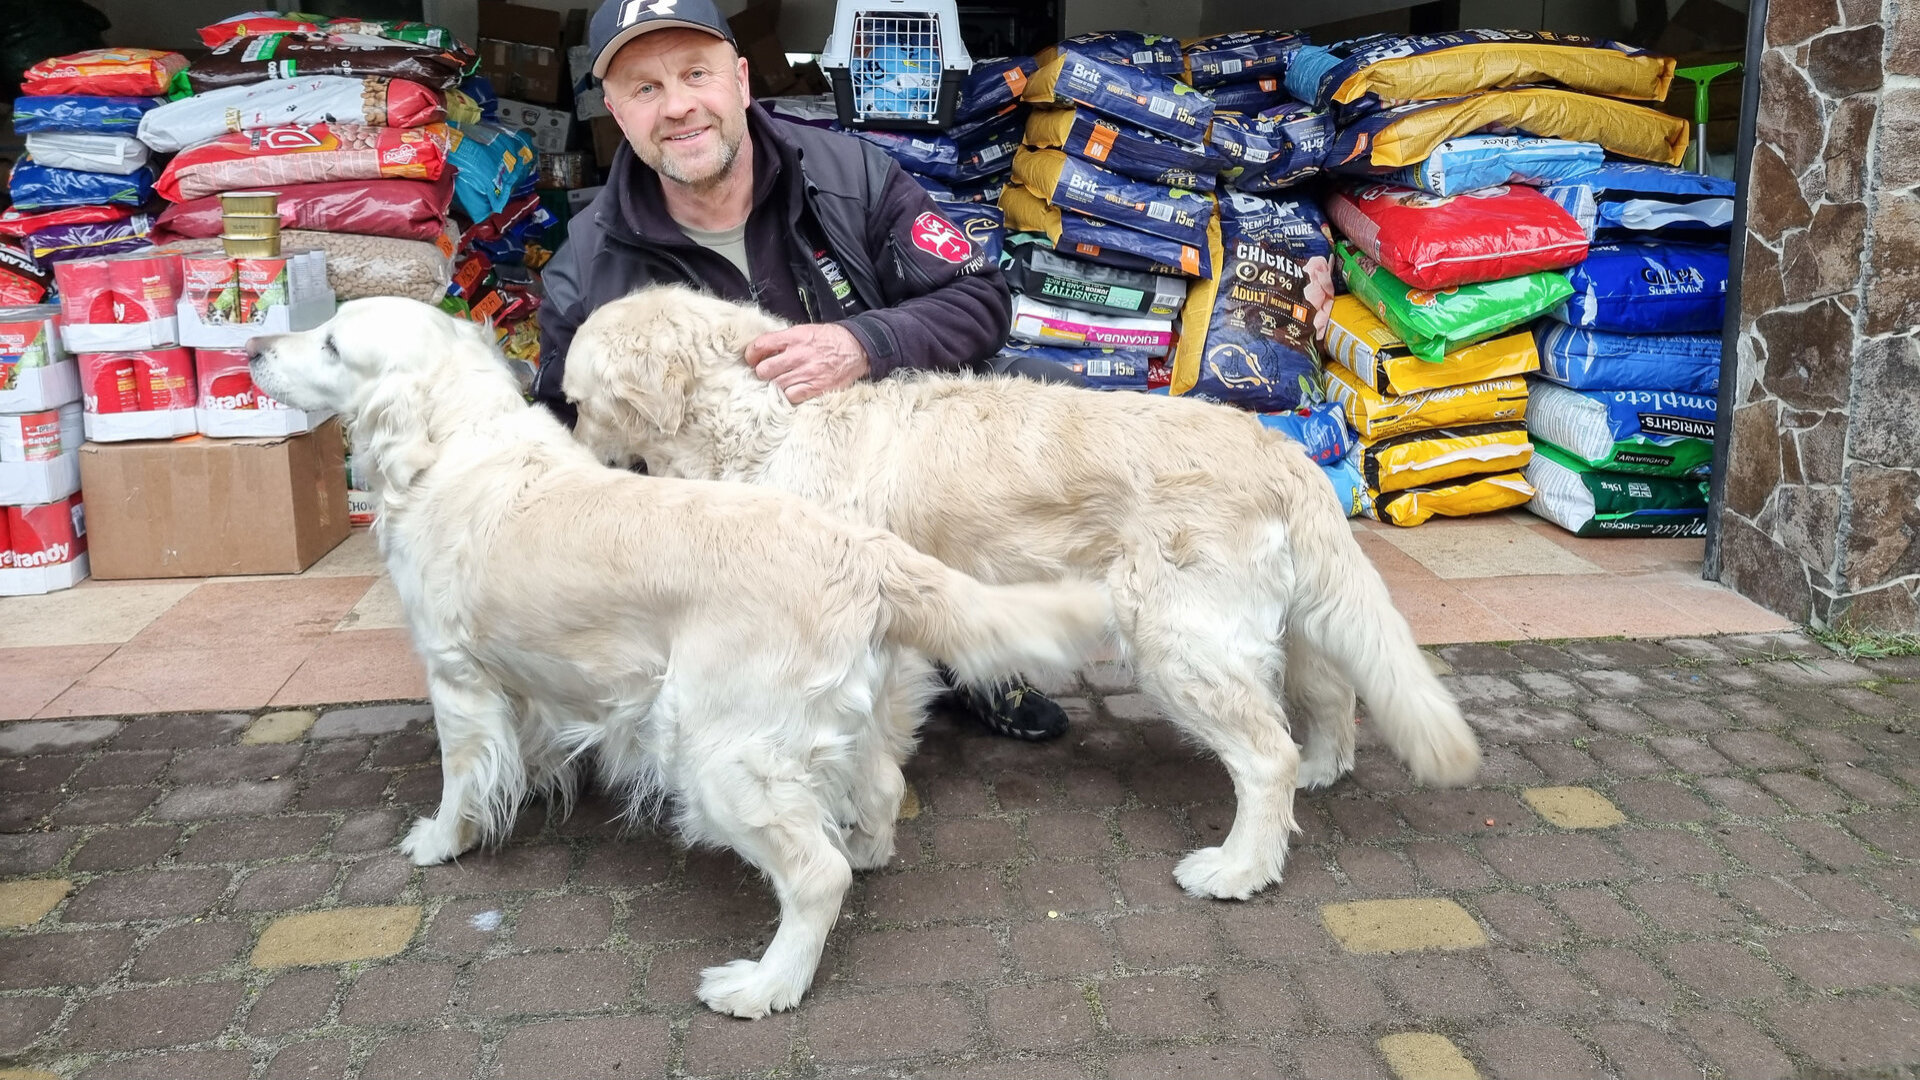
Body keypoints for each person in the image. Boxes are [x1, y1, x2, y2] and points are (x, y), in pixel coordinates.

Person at [533, 0, 1072, 741]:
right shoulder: (586, 269)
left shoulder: (849, 173)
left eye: (697, 74)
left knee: (1026, 388)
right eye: (645, 88)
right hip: (729, 526)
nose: (679, 107)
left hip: (873, 472)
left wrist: (864, 343)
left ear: (742, 79)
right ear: (616, 112)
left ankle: (964, 651)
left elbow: (981, 300)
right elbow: (564, 450)